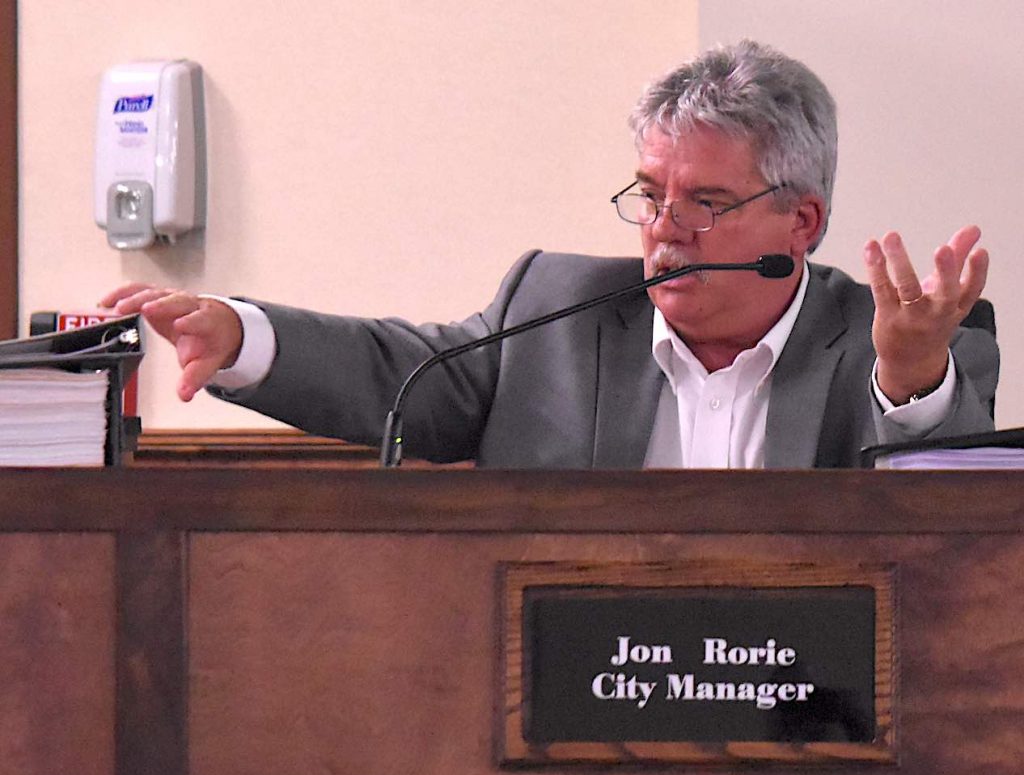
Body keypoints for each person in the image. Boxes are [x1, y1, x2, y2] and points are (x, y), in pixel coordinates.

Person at [102, 40, 998, 468]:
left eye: (708, 204)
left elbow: (952, 552)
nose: (666, 229)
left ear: (802, 224)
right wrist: (240, 334)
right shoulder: (557, 310)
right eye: (652, 196)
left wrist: (912, 386)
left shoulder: (897, 346)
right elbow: (400, 375)